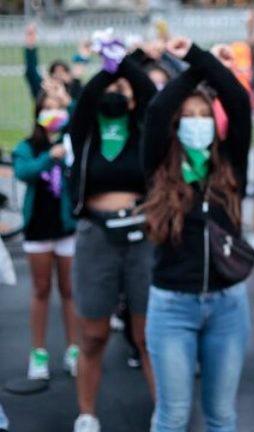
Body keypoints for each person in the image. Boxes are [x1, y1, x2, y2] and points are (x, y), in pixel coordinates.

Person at [141, 37, 253, 431]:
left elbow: (237, 102)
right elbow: (157, 110)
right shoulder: (158, 166)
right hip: (172, 305)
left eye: (204, 114)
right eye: (188, 114)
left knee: (221, 416)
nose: (196, 121)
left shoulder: (230, 165)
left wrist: (199, 56)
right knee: (172, 415)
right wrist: (196, 67)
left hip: (228, 306)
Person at [68, 37, 157, 432]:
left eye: (123, 87)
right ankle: (86, 414)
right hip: (97, 237)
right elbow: (88, 95)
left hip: (141, 237)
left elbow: (148, 91)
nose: (115, 90)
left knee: (147, 334)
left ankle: (164, 416)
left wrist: (124, 63)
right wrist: (108, 66)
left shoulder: (144, 128)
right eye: (110, 85)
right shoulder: (85, 131)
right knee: (93, 334)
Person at [12, 80, 79, 381]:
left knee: (69, 290)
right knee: (41, 290)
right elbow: (23, 172)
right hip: (38, 228)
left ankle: (74, 349)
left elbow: (82, 116)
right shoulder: (28, 146)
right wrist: (48, 157)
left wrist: (66, 97)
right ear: (38, 113)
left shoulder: (71, 140)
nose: (54, 113)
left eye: (58, 108)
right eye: (47, 108)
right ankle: (38, 352)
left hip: (66, 227)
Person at [24, 23, 88, 102]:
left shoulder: (74, 92)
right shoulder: (42, 93)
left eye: (63, 71)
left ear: (69, 76)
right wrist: (30, 46)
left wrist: (83, 54)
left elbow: (78, 75)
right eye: (55, 72)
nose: (59, 75)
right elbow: (31, 71)